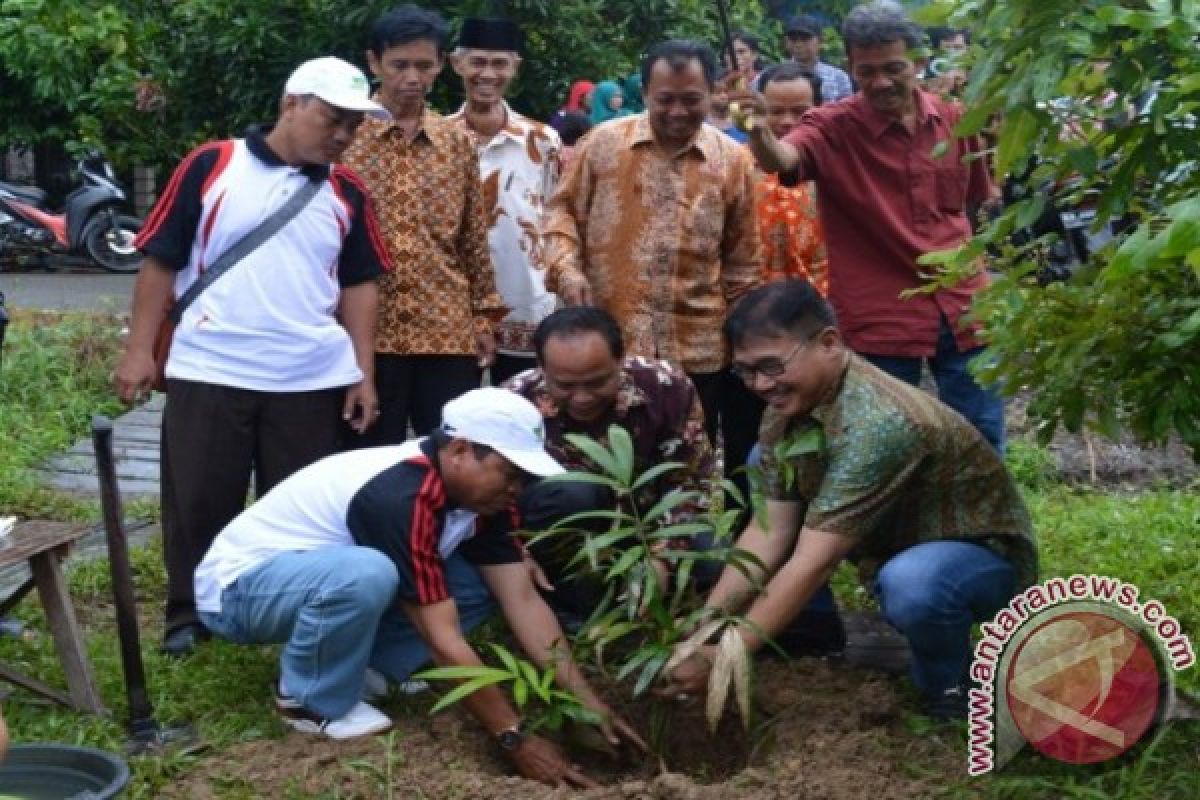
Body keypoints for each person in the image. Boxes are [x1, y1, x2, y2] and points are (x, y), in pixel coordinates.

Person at [194, 388, 645, 784]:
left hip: (310, 579)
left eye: (523, 479)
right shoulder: (400, 495)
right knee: (367, 573)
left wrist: (590, 705)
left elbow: (521, 600)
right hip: (240, 591)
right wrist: (513, 737)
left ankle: (368, 669)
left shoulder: (480, 500)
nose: (518, 490)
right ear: (462, 451)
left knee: (479, 583)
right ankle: (309, 700)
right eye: (510, 473)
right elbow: (442, 638)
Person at [114, 56, 391, 657]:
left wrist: (361, 372)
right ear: (291, 103)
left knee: (296, 508)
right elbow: (160, 259)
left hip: (310, 376)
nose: (342, 135)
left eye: (354, 124)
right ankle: (188, 615)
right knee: (198, 498)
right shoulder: (212, 166)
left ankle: (281, 615)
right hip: (211, 366)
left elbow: (360, 284)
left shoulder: (347, 192)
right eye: (331, 118)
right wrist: (139, 351)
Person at [663, 280, 1037, 719]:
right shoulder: (792, 404)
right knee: (761, 459)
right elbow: (769, 534)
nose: (760, 384)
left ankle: (952, 686)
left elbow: (812, 560)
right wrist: (700, 630)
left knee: (914, 586)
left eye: (771, 365)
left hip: (980, 560)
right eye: (745, 371)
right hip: (895, 547)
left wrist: (728, 654)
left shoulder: (878, 424)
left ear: (828, 343)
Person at [738, 1, 1006, 452]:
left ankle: (983, 525)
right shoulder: (831, 127)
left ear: (918, 62)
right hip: (881, 313)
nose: (881, 82)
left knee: (981, 434)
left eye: (894, 68)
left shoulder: (956, 119)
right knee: (880, 442)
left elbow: (979, 202)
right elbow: (783, 159)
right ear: (851, 67)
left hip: (962, 305)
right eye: (868, 71)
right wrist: (760, 131)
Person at [543, 39, 763, 496]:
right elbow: (560, 214)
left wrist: (747, 345)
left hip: (699, 346)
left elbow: (744, 262)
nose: (678, 111)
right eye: (666, 100)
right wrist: (567, 268)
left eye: (691, 99)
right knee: (607, 470)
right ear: (645, 93)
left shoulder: (734, 161)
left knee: (686, 470)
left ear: (712, 94)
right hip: (612, 348)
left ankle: (685, 557)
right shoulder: (602, 145)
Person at [342, 5, 506, 444]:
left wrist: (482, 316)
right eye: (399, 66)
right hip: (367, 336)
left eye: (424, 66)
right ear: (374, 63)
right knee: (369, 456)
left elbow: (472, 236)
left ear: (439, 66)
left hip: (447, 331)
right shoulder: (347, 136)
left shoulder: (457, 142)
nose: (412, 78)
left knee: (450, 455)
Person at [504, 306, 718, 619]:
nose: (581, 398)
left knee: (713, 552)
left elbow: (691, 483)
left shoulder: (666, 389)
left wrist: (661, 558)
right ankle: (566, 608)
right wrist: (514, 554)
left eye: (596, 382)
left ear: (620, 360)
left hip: (647, 528)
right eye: (564, 386)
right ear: (542, 367)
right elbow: (483, 502)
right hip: (561, 536)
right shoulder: (512, 404)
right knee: (573, 493)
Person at [447, 17, 564, 384]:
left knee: (523, 410)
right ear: (456, 64)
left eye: (499, 64)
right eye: (477, 62)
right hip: (453, 305)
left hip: (526, 304)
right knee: (456, 415)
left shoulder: (542, 141)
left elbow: (556, 217)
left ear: (515, 68)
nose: (487, 74)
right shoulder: (438, 139)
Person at [755, 62, 827, 290]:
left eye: (799, 111)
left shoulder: (835, 161)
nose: (787, 121)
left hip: (823, 299)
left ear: (819, 108)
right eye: (775, 111)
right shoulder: (734, 163)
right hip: (754, 302)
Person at [780, 14, 854, 102]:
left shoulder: (839, 78)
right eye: (793, 39)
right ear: (786, 42)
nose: (798, 44)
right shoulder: (773, 75)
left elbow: (846, 112)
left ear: (820, 41)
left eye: (805, 39)